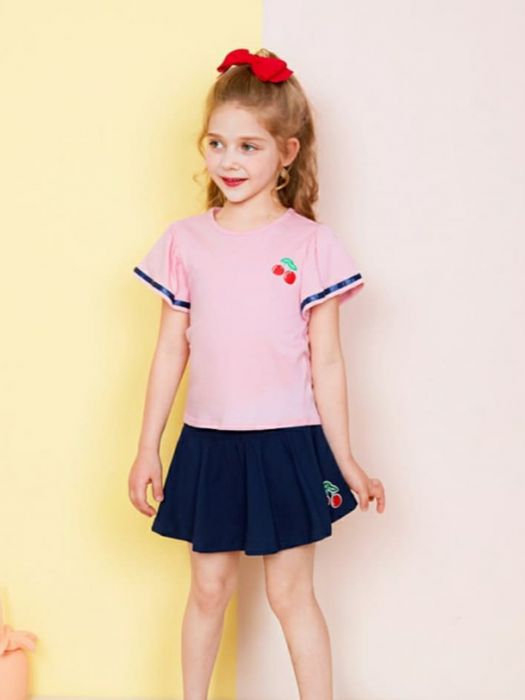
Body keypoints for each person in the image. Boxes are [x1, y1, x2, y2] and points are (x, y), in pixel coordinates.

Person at [128, 46, 386, 700]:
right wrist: (147, 447)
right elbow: (170, 349)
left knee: (290, 594)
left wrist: (346, 459)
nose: (229, 160)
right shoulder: (185, 240)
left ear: (287, 153)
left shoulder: (311, 245)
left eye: (248, 146)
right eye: (217, 143)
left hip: (288, 443)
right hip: (208, 442)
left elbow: (327, 360)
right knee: (208, 589)